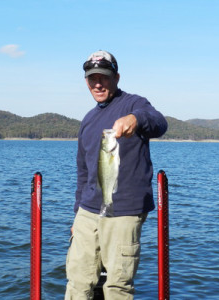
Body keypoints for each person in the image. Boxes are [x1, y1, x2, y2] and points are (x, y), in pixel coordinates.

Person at [65, 50, 168, 300]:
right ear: (86, 82)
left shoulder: (134, 103)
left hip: (123, 211)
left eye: (104, 77)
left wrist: (136, 118)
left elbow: (159, 123)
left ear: (117, 78)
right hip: (88, 212)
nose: (98, 84)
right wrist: (77, 212)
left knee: (117, 286)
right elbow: (83, 172)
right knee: (77, 279)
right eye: (92, 79)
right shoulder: (88, 120)